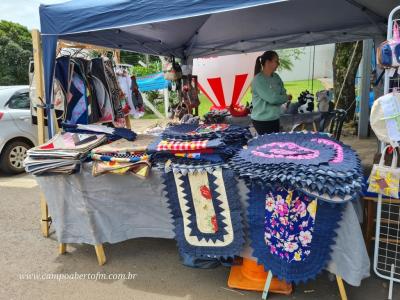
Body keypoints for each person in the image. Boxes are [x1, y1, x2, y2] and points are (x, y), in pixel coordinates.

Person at [251, 51, 291, 135]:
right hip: (262, 120)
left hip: (274, 118)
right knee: (268, 145)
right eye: (276, 61)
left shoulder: (276, 77)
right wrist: (286, 97)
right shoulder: (259, 80)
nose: (278, 64)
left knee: (274, 145)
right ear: (268, 62)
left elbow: (283, 92)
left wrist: (281, 97)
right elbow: (273, 99)